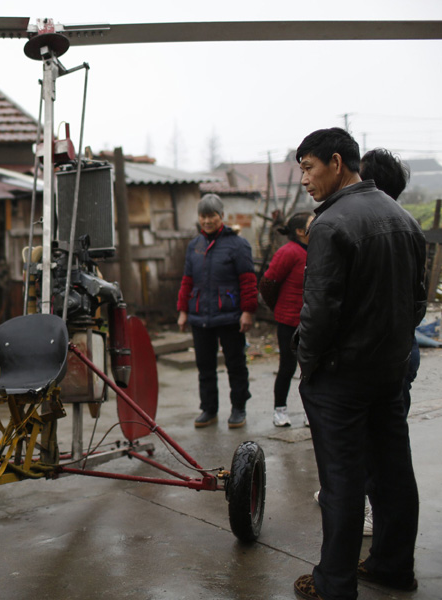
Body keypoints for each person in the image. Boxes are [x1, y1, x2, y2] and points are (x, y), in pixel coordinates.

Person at [292, 128, 424, 600]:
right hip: (388, 373)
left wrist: (309, 365)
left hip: (341, 379)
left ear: (336, 162)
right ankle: (391, 567)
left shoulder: (330, 223)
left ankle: (334, 583)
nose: (304, 178)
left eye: (308, 167)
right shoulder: (402, 217)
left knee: (342, 482)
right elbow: (417, 304)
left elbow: (320, 310)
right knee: (392, 474)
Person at [176, 194, 257, 428]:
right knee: (205, 366)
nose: (207, 220)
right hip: (201, 315)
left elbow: (249, 282)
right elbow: (187, 281)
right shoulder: (195, 246)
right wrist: (183, 311)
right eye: (203, 216)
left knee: (235, 364)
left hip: (230, 315)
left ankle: (239, 408)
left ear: (221, 216)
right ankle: (209, 410)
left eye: (211, 215)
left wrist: (248, 311)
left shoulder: (238, 244)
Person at [360, 148, 419, 413]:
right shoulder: (410, 226)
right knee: (393, 436)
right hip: (405, 347)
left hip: (374, 356)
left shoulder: (360, 229)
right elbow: (418, 297)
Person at [258, 212, 313, 427]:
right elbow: (268, 283)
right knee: (288, 367)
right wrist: (278, 308)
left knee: (311, 370)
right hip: (289, 322)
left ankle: (311, 411)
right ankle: (279, 410)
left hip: (312, 321)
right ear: (300, 232)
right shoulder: (288, 252)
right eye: (311, 223)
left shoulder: (317, 250)